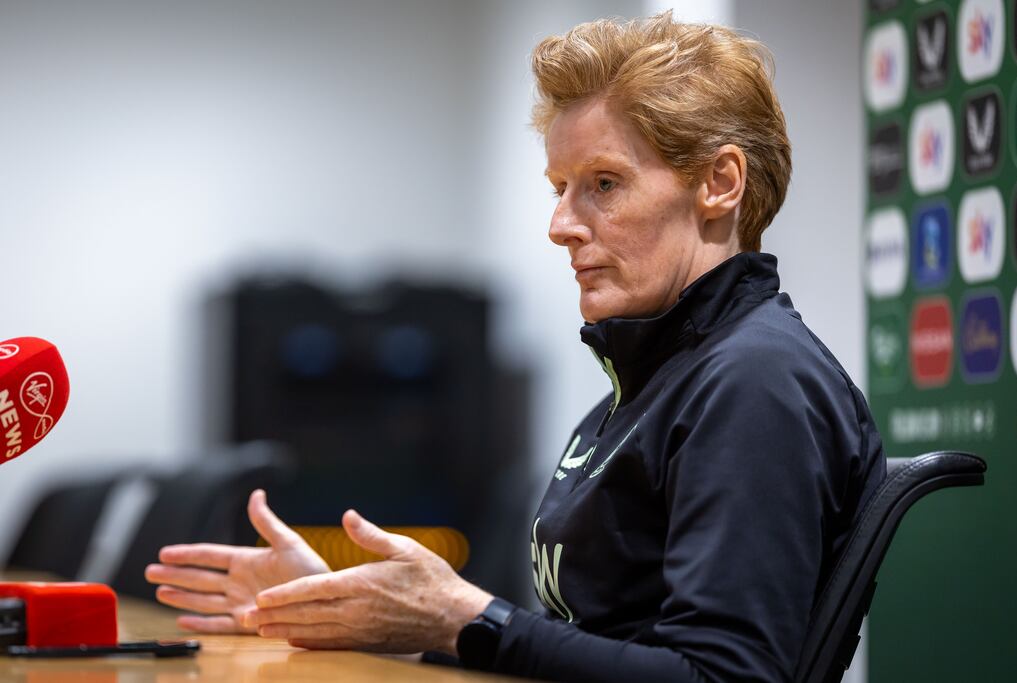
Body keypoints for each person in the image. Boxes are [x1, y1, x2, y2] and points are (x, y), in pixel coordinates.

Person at [145, 13, 885, 682]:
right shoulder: (645, 384)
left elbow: (724, 678)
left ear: (719, 182)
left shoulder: (755, 382)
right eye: (559, 186)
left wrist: (467, 616)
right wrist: (359, 605)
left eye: (603, 183)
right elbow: (569, 645)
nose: (561, 223)